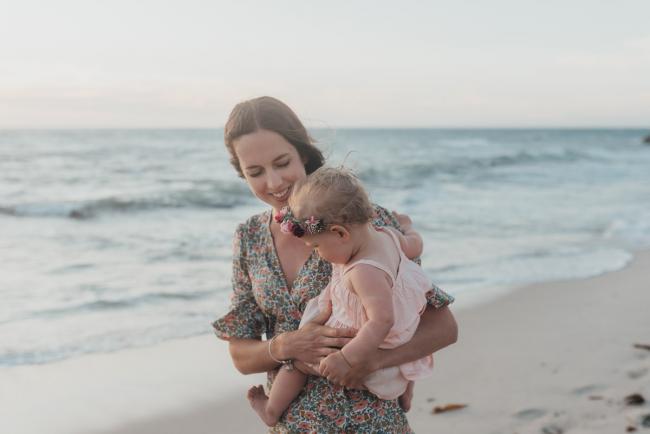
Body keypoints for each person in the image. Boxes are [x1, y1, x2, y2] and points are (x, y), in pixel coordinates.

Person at [212, 96, 457, 433]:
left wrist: (368, 360)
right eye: (255, 172)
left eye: (282, 162)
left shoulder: (363, 221)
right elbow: (241, 355)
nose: (273, 182)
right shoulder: (249, 238)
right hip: (293, 425)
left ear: (304, 153)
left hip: (372, 422)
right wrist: (286, 345)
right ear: (243, 174)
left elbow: (443, 327)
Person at [247, 166, 436, 427]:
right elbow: (415, 244)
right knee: (404, 327)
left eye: (316, 246)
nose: (317, 253)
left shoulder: (363, 272)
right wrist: (407, 226)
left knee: (299, 362)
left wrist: (346, 358)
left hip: (369, 347)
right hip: (404, 337)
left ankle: (271, 409)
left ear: (339, 233)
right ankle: (406, 392)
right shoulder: (389, 236)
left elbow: (381, 321)